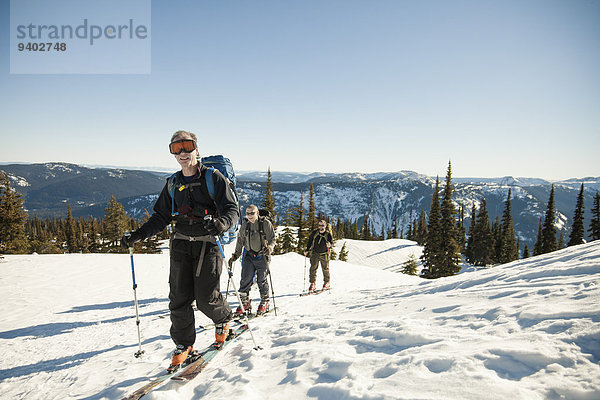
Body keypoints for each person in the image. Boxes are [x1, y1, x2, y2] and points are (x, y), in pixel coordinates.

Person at [120, 130, 239, 370]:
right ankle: (184, 345)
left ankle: (224, 319)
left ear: (197, 149)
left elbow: (232, 209)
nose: (183, 153)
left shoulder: (213, 178)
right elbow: (161, 216)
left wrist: (220, 223)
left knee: (206, 299)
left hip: (207, 244)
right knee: (178, 300)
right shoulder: (173, 183)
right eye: (176, 148)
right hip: (181, 244)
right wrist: (138, 235)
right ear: (173, 153)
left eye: (187, 146)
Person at [228, 204, 275, 315]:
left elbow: (272, 238)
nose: (249, 215)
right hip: (249, 256)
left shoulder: (265, 224)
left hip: (262, 256)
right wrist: (235, 255)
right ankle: (245, 302)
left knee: (261, 280)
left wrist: (270, 248)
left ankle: (265, 301)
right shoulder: (245, 225)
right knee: (245, 279)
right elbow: (240, 242)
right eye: (247, 213)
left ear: (257, 213)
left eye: (252, 213)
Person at [304, 219, 333, 292]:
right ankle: (312, 283)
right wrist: (307, 249)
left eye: (322, 225)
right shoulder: (314, 233)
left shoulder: (328, 234)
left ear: (325, 226)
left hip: (324, 254)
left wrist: (329, 245)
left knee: (325, 269)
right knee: (313, 268)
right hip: (315, 253)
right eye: (319, 225)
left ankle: (327, 282)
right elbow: (310, 241)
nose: (321, 227)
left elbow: (331, 243)